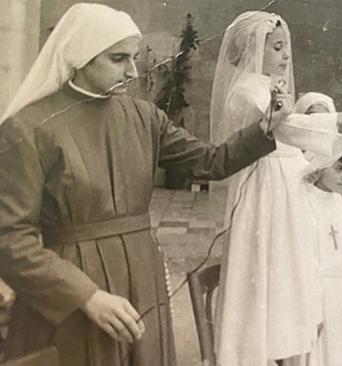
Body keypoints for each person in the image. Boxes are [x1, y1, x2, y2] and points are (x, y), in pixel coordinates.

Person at [0, 3, 293, 366]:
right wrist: (86, 296)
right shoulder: (27, 128)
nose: (133, 71)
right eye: (118, 58)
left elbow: (210, 161)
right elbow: (10, 239)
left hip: (142, 278)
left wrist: (266, 128)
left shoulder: (144, 116)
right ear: (81, 56)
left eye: (134, 58)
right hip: (69, 293)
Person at [208, 11, 342, 366]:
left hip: (286, 187)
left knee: (288, 268)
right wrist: (336, 119)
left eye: (285, 48)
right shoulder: (248, 91)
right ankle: (254, 351)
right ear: (252, 48)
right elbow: (285, 127)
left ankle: (288, 348)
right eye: (277, 47)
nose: (285, 55)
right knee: (267, 264)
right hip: (265, 187)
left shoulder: (265, 87)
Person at [299, 92, 342, 366]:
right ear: (320, 165)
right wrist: (311, 311)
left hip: (340, 297)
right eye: (338, 169)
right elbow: (305, 258)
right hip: (316, 293)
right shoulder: (304, 201)